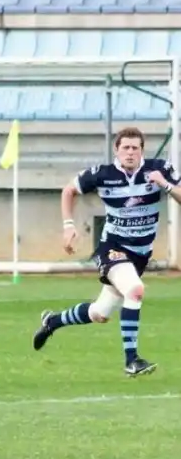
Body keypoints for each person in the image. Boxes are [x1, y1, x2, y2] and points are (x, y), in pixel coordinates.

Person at [33, 127, 181, 376]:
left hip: (140, 254)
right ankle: (132, 361)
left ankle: (53, 321)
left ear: (142, 150)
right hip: (112, 248)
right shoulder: (102, 174)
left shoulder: (160, 169)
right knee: (135, 290)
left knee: (99, 312)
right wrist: (69, 225)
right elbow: (68, 191)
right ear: (117, 150)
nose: (130, 152)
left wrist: (164, 184)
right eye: (126, 148)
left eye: (135, 148)